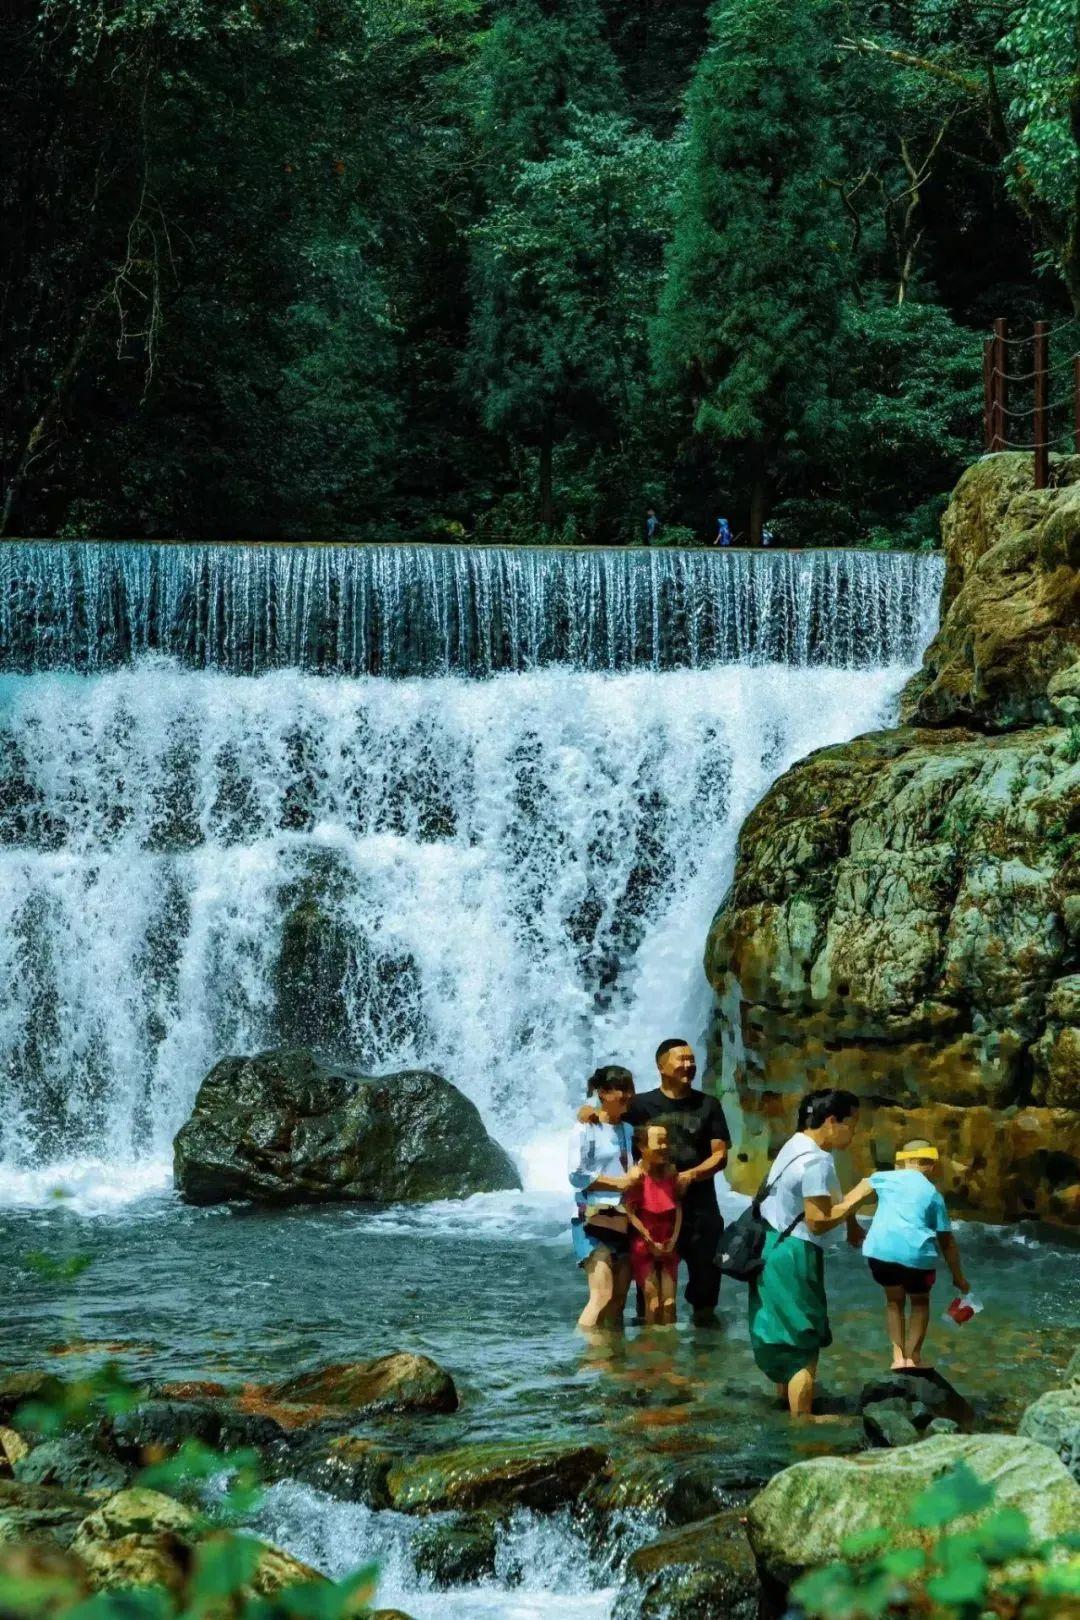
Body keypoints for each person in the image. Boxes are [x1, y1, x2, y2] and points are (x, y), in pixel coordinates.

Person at [748, 1088, 866, 1417]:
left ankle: (785, 1409)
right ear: (831, 1121)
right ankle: (804, 1423)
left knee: (785, 1334)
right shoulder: (816, 1159)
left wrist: (852, 1222)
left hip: (770, 1248)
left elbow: (819, 1196)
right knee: (803, 1341)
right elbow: (817, 1221)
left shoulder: (795, 1146)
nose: (853, 1133)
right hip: (795, 1255)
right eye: (851, 1124)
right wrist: (860, 1195)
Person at [626, 1039, 730, 1325]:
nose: (689, 1065)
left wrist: (690, 1175)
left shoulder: (709, 1105)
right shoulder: (639, 1106)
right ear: (661, 1066)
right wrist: (589, 1115)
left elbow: (720, 1155)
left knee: (706, 1285)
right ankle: (648, 1360)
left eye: (691, 1059)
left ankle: (704, 1356)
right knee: (650, 1297)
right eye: (681, 1059)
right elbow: (613, 1128)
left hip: (700, 1207)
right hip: (653, 1211)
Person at [852, 1139, 970, 1371]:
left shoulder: (883, 1178)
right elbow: (946, 1242)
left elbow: (850, 1200)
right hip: (917, 1260)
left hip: (880, 1255)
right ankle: (913, 1357)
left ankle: (897, 1358)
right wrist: (958, 1277)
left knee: (894, 1302)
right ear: (931, 1166)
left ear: (900, 1164)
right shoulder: (934, 1195)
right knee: (920, 1302)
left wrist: (851, 1225)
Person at [568, 1064, 637, 1331]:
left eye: (630, 1088)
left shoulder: (629, 1130)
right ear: (603, 1093)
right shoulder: (585, 1128)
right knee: (601, 1295)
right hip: (592, 1218)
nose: (628, 1094)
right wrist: (618, 1183)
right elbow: (575, 1175)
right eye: (621, 1089)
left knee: (618, 1300)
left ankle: (611, 1361)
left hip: (622, 1218)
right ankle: (584, 1358)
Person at [623, 1124, 682, 1325]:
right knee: (653, 1303)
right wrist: (649, 1240)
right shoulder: (637, 1176)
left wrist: (673, 1240)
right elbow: (629, 1211)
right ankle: (651, 1351)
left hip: (668, 1242)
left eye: (666, 1141)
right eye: (659, 1141)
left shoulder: (671, 1173)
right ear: (643, 1146)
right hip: (644, 1244)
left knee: (669, 1304)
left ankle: (670, 1351)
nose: (664, 1146)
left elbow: (679, 1208)